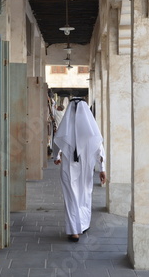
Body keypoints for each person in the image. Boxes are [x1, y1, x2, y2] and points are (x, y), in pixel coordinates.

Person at [53, 97, 107, 242]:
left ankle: (80, 225)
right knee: (75, 196)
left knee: (80, 196)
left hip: (79, 168)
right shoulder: (76, 127)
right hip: (74, 167)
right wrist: (56, 156)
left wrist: (102, 168)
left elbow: (98, 147)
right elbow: (58, 142)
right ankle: (75, 229)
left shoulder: (80, 128)